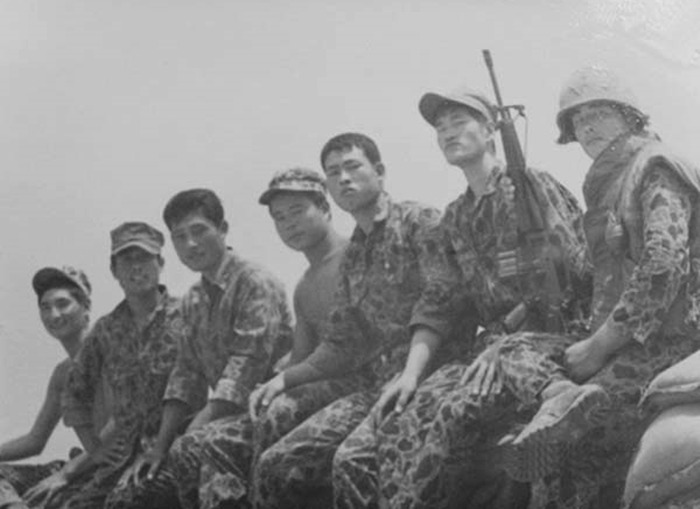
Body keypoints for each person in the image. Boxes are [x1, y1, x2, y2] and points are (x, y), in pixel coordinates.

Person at [345, 87, 596, 509]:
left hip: (550, 335)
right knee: (406, 417)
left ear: (490, 129)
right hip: (492, 347)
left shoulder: (530, 185)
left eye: (459, 122)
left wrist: (507, 339)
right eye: (440, 128)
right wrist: (411, 373)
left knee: (451, 416)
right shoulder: (456, 216)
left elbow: (574, 268)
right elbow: (441, 300)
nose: (448, 133)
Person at [250, 132, 469, 509]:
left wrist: (411, 373)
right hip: (380, 383)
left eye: (352, 167)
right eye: (333, 172)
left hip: (435, 372)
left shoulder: (418, 221)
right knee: (277, 465)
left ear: (379, 172)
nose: (344, 179)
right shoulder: (355, 254)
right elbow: (341, 343)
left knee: (354, 461)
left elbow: (441, 301)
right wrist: (283, 379)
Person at [521, 65, 700, 508]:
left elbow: (663, 265)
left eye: (599, 113)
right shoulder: (608, 188)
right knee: (513, 357)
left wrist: (599, 346)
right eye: (579, 121)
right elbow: (597, 275)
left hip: (670, 339)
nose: (588, 127)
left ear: (630, 117)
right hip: (627, 340)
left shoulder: (655, 167)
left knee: (575, 437)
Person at [191, 167, 366, 508]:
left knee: (278, 421)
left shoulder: (356, 257)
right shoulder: (304, 286)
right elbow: (301, 356)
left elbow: (348, 349)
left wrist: (283, 381)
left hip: (363, 381)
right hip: (325, 387)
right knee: (218, 438)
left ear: (325, 208)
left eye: (297, 211)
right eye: (279, 217)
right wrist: (271, 383)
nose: (289, 224)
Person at [107, 189, 293, 509]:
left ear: (222, 229)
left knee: (191, 448)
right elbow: (185, 375)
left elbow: (244, 369)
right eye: (179, 237)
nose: (190, 244)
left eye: (199, 231)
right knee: (137, 486)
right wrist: (159, 447)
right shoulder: (193, 299)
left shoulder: (254, 282)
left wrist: (190, 432)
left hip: (270, 409)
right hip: (226, 418)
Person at [42, 222, 187, 509]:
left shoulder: (189, 314)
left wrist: (162, 447)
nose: (136, 267)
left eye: (144, 258)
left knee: (127, 502)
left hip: (175, 447)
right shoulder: (106, 330)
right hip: (121, 458)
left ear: (160, 263)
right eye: (126, 260)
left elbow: (198, 382)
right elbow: (74, 394)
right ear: (113, 271)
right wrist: (95, 449)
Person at [0, 266, 111, 509]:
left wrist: (66, 473)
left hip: (109, 466)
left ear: (86, 306)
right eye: (45, 307)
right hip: (82, 466)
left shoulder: (112, 352)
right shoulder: (63, 374)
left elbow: (124, 427)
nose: (54, 314)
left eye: (63, 303)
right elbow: (35, 441)